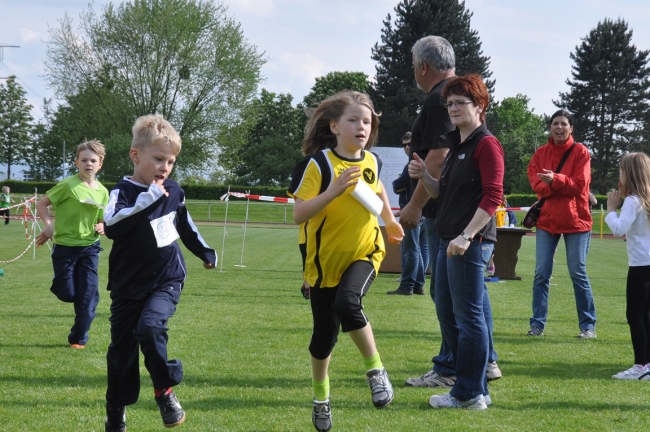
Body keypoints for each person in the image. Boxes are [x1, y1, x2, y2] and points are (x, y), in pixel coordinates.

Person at [288, 90, 404, 432]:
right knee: (324, 336)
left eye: (367, 121)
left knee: (348, 301)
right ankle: (321, 398)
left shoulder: (372, 160)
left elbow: (378, 188)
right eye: (353, 120)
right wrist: (333, 191)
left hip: (365, 250)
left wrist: (390, 219)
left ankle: (376, 371)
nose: (362, 127)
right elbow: (298, 215)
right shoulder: (319, 164)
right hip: (323, 264)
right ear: (335, 126)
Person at [103, 114, 217, 432]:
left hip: (166, 280)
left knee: (151, 329)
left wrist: (206, 253)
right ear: (136, 156)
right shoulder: (123, 192)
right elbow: (112, 226)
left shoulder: (174, 191)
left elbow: (185, 225)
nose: (165, 167)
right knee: (121, 354)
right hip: (127, 288)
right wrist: (149, 199)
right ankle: (115, 409)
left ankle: (164, 390)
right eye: (158, 159)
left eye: (170, 161)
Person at [403, 36, 501, 391]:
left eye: (462, 103)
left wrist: (466, 235)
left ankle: (468, 387)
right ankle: (466, 372)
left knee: (467, 314)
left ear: (480, 106)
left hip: (465, 240)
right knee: (450, 307)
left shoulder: (485, 143)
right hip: (450, 237)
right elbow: (444, 192)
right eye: (451, 104)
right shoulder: (459, 145)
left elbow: (494, 196)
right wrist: (424, 177)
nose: (454, 108)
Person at [526, 109, 597, 338]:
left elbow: (580, 185)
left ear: (571, 128)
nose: (559, 127)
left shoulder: (581, 152)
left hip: (576, 221)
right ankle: (537, 325)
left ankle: (588, 326)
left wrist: (555, 179)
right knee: (541, 274)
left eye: (563, 124)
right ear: (550, 127)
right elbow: (535, 182)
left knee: (578, 273)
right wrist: (555, 184)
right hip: (547, 221)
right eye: (555, 123)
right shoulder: (541, 153)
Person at [35, 141, 109, 349]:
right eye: (84, 160)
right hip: (65, 248)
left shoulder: (103, 192)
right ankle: (81, 294)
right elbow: (41, 203)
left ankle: (78, 339)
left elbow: (103, 218)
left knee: (87, 298)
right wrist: (49, 225)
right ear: (76, 162)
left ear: (100, 164)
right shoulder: (67, 185)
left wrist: (102, 225)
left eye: (93, 161)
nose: (89, 164)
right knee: (68, 293)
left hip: (90, 248)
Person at [605, 153, 650, 380]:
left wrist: (612, 208)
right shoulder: (646, 200)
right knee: (646, 314)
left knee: (634, 315)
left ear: (629, 173)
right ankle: (647, 363)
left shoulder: (633, 201)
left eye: (621, 170)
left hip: (640, 265)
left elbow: (619, 230)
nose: (619, 174)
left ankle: (641, 366)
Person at [388, 131, 428, 295]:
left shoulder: (412, 164)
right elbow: (399, 186)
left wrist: (400, 184)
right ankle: (418, 285)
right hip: (424, 213)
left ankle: (408, 286)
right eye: (404, 144)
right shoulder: (424, 162)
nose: (406, 147)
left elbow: (398, 185)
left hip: (414, 213)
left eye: (409, 143)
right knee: (420, 249)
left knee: (411, 249)